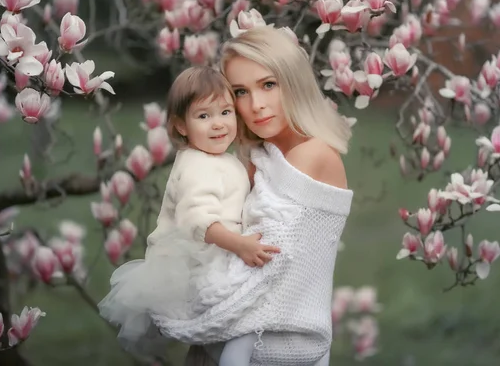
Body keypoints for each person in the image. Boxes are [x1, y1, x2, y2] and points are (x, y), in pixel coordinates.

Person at [152, 26, 355, 366]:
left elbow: (268, 263)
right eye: (241, 92)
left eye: (268, 85)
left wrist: (195, 315)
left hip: (268, 346)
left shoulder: (313, 155)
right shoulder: (257, 156)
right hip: (229, 338)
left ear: (293, 82)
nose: (257, 105)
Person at [97, 66, 281, 362]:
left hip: (212, 254)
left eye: (225, 112)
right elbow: (199, 221)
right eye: (203, 116)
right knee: (242, 320)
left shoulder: (217, 158)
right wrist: (241, 245)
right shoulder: (198, 166)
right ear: (181, 126)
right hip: (197, 263)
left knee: (225, 336)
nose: (218, 124)